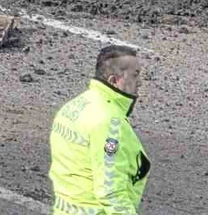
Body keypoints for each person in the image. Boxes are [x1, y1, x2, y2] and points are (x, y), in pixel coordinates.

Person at [48, 45, 151, 215]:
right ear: (114, 80)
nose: (139, 82)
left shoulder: (75, 106)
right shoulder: (109, 123)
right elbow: (111, 190)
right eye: (135, 75)